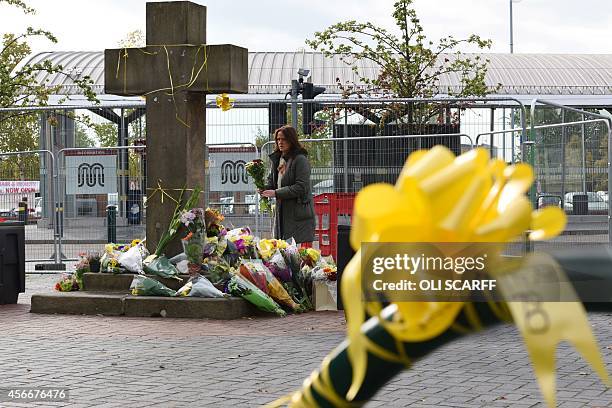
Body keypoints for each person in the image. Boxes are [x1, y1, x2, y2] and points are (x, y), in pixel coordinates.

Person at [260, 126, 315, 244]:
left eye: (284, 139)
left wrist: (276, 193)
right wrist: (263, 188)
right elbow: (273, 183)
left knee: (295, 254)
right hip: (282, 213)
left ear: (291, 140)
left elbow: (301, 187)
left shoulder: (300, 160)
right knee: (282, 250)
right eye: (278, 139)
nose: (280, 142)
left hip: (297, 216)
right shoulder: (277, 159)